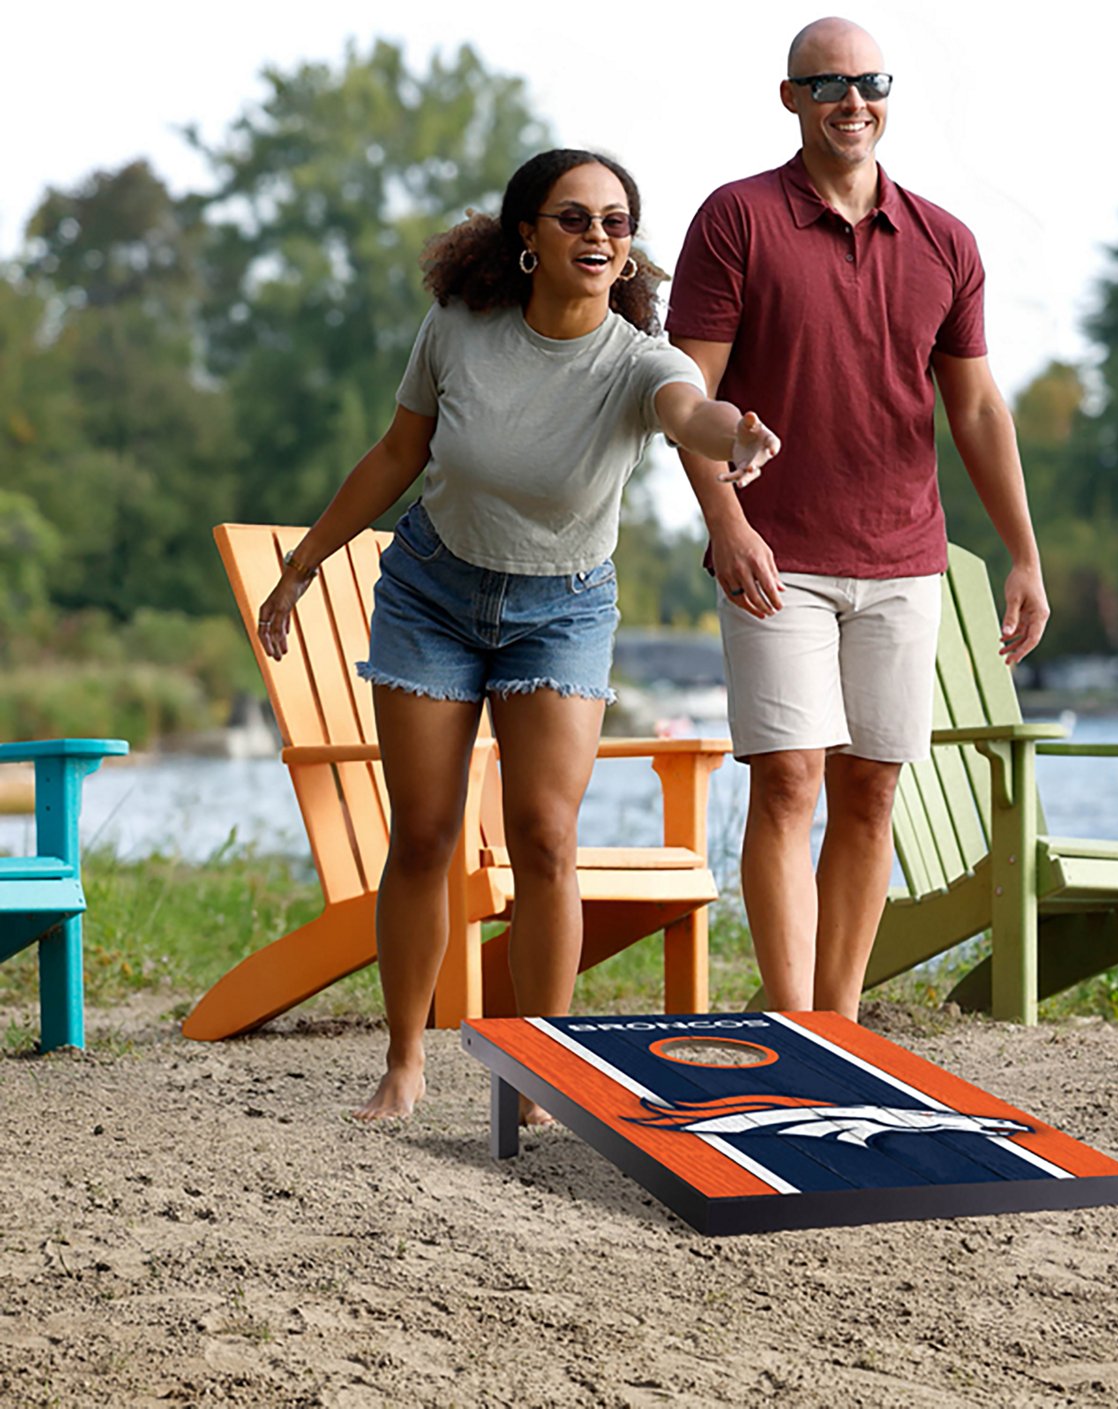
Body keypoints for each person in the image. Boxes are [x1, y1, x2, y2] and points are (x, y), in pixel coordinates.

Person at [255, 149, 781, 1122]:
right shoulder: (459, 329)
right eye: (574, 218)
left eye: (615, 223)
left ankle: (542, 1070)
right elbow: (398, 453)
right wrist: (307, 561)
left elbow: (688, 413)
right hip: (432, 596)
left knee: (545, 836)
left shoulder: (639, 360)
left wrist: (733, 437)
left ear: (628, 252)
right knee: (423, 834)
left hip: (563, 610)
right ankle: (405, 1061)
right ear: (528, 238)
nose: (597, 236)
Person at [666, 18, 1049, 1020]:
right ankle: (790, 1018)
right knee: (789, 778)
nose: (853, 101)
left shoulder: (944, 241)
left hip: (903, 558)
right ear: (789, 98)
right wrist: (727, 522)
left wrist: (1022, 553)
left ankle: (835, 1019)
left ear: (888, 94)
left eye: (870, 82)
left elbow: (975, 408)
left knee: (872, 788)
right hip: (775, 556)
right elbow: (682, 398)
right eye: (829, 84)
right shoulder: (734, 221)